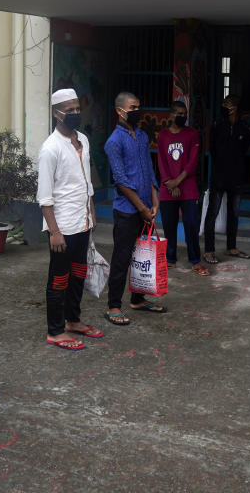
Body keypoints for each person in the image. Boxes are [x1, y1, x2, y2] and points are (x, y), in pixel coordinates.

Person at [37, 89, 102, 352]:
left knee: (78, 273)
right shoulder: (50, 149)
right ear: (56, 113)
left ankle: (73, 320)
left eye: (77, 108)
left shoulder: (83, 140)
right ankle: (55, 331)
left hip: (82, 221)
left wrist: (92, 212)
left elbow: (86, 183)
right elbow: (44, 196)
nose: (75, 113)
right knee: (59, 278)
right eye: (69, 110)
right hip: (62, 226)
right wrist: (54, 231)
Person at [103, 91, 166, 325]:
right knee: (122, 258)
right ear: (120, 111)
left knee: (142, 257)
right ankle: (113, 306)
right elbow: (121, 180)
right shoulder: (114, 141)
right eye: (133, 107)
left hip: (146, 209)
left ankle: (138, 299)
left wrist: (155, 200)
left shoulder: (140, 135)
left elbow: (149, 170)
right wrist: (141, 208)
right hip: (127, 211)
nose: (137, 111)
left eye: (139, 106)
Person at [157, 101, 209, 276]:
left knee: (191, 225)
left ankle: (195, 260)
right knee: (169, 226)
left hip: (187, 187)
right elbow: (161, 162)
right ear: (171, 115)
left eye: (184, 113)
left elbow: (193, 161)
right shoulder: (163, 136)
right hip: (168, 188)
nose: (182, 117)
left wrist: (177, 182)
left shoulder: (192, 134)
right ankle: (170, 258)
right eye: (178, 113)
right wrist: (169, 183)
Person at [203, 95, 250, 264]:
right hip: (219, 178)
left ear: (236, 108)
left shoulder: (244, 128)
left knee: (234, 213)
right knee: (212, 213)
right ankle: (209, 250)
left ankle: (232, 247)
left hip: (237, 177)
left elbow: (243, 150)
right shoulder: (217, 127)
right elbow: (214, 151)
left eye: (228, 104)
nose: (224, 106)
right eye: (223, 103)